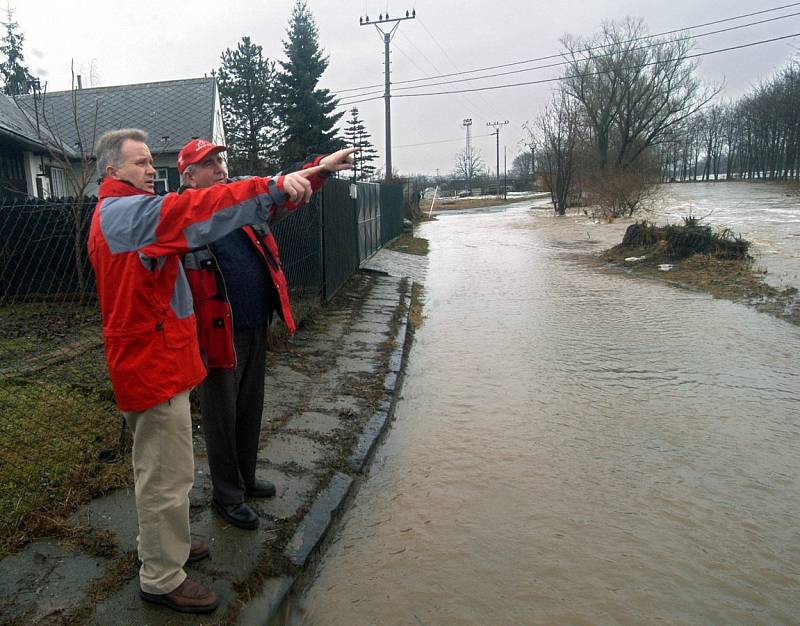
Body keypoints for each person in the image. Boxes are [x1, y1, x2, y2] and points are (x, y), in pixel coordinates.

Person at [87, 129, 353, 614]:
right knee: (164, 476)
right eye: (142, 162)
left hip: (162, 361)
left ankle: (168, 546)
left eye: (152, 161)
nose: (152, 169)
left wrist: (313, 173)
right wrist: (274, 183)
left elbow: (244, 206)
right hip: (152, 366)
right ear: (112, 172)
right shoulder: (126, 215)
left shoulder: (127, 212)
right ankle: (161, 576)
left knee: (169, 469)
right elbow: (199, 210)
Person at [176, 139, 352, 530]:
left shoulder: (238, 201)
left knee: (250, 407)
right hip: (216, 334)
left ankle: (247, 478)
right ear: (188, 176)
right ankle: (227, 496)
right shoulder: (182, 215)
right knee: (221, 415)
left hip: (256, 321)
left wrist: (321, 167)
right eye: (209, 163)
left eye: (221, 159)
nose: (221, 167)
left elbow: (282, 193)